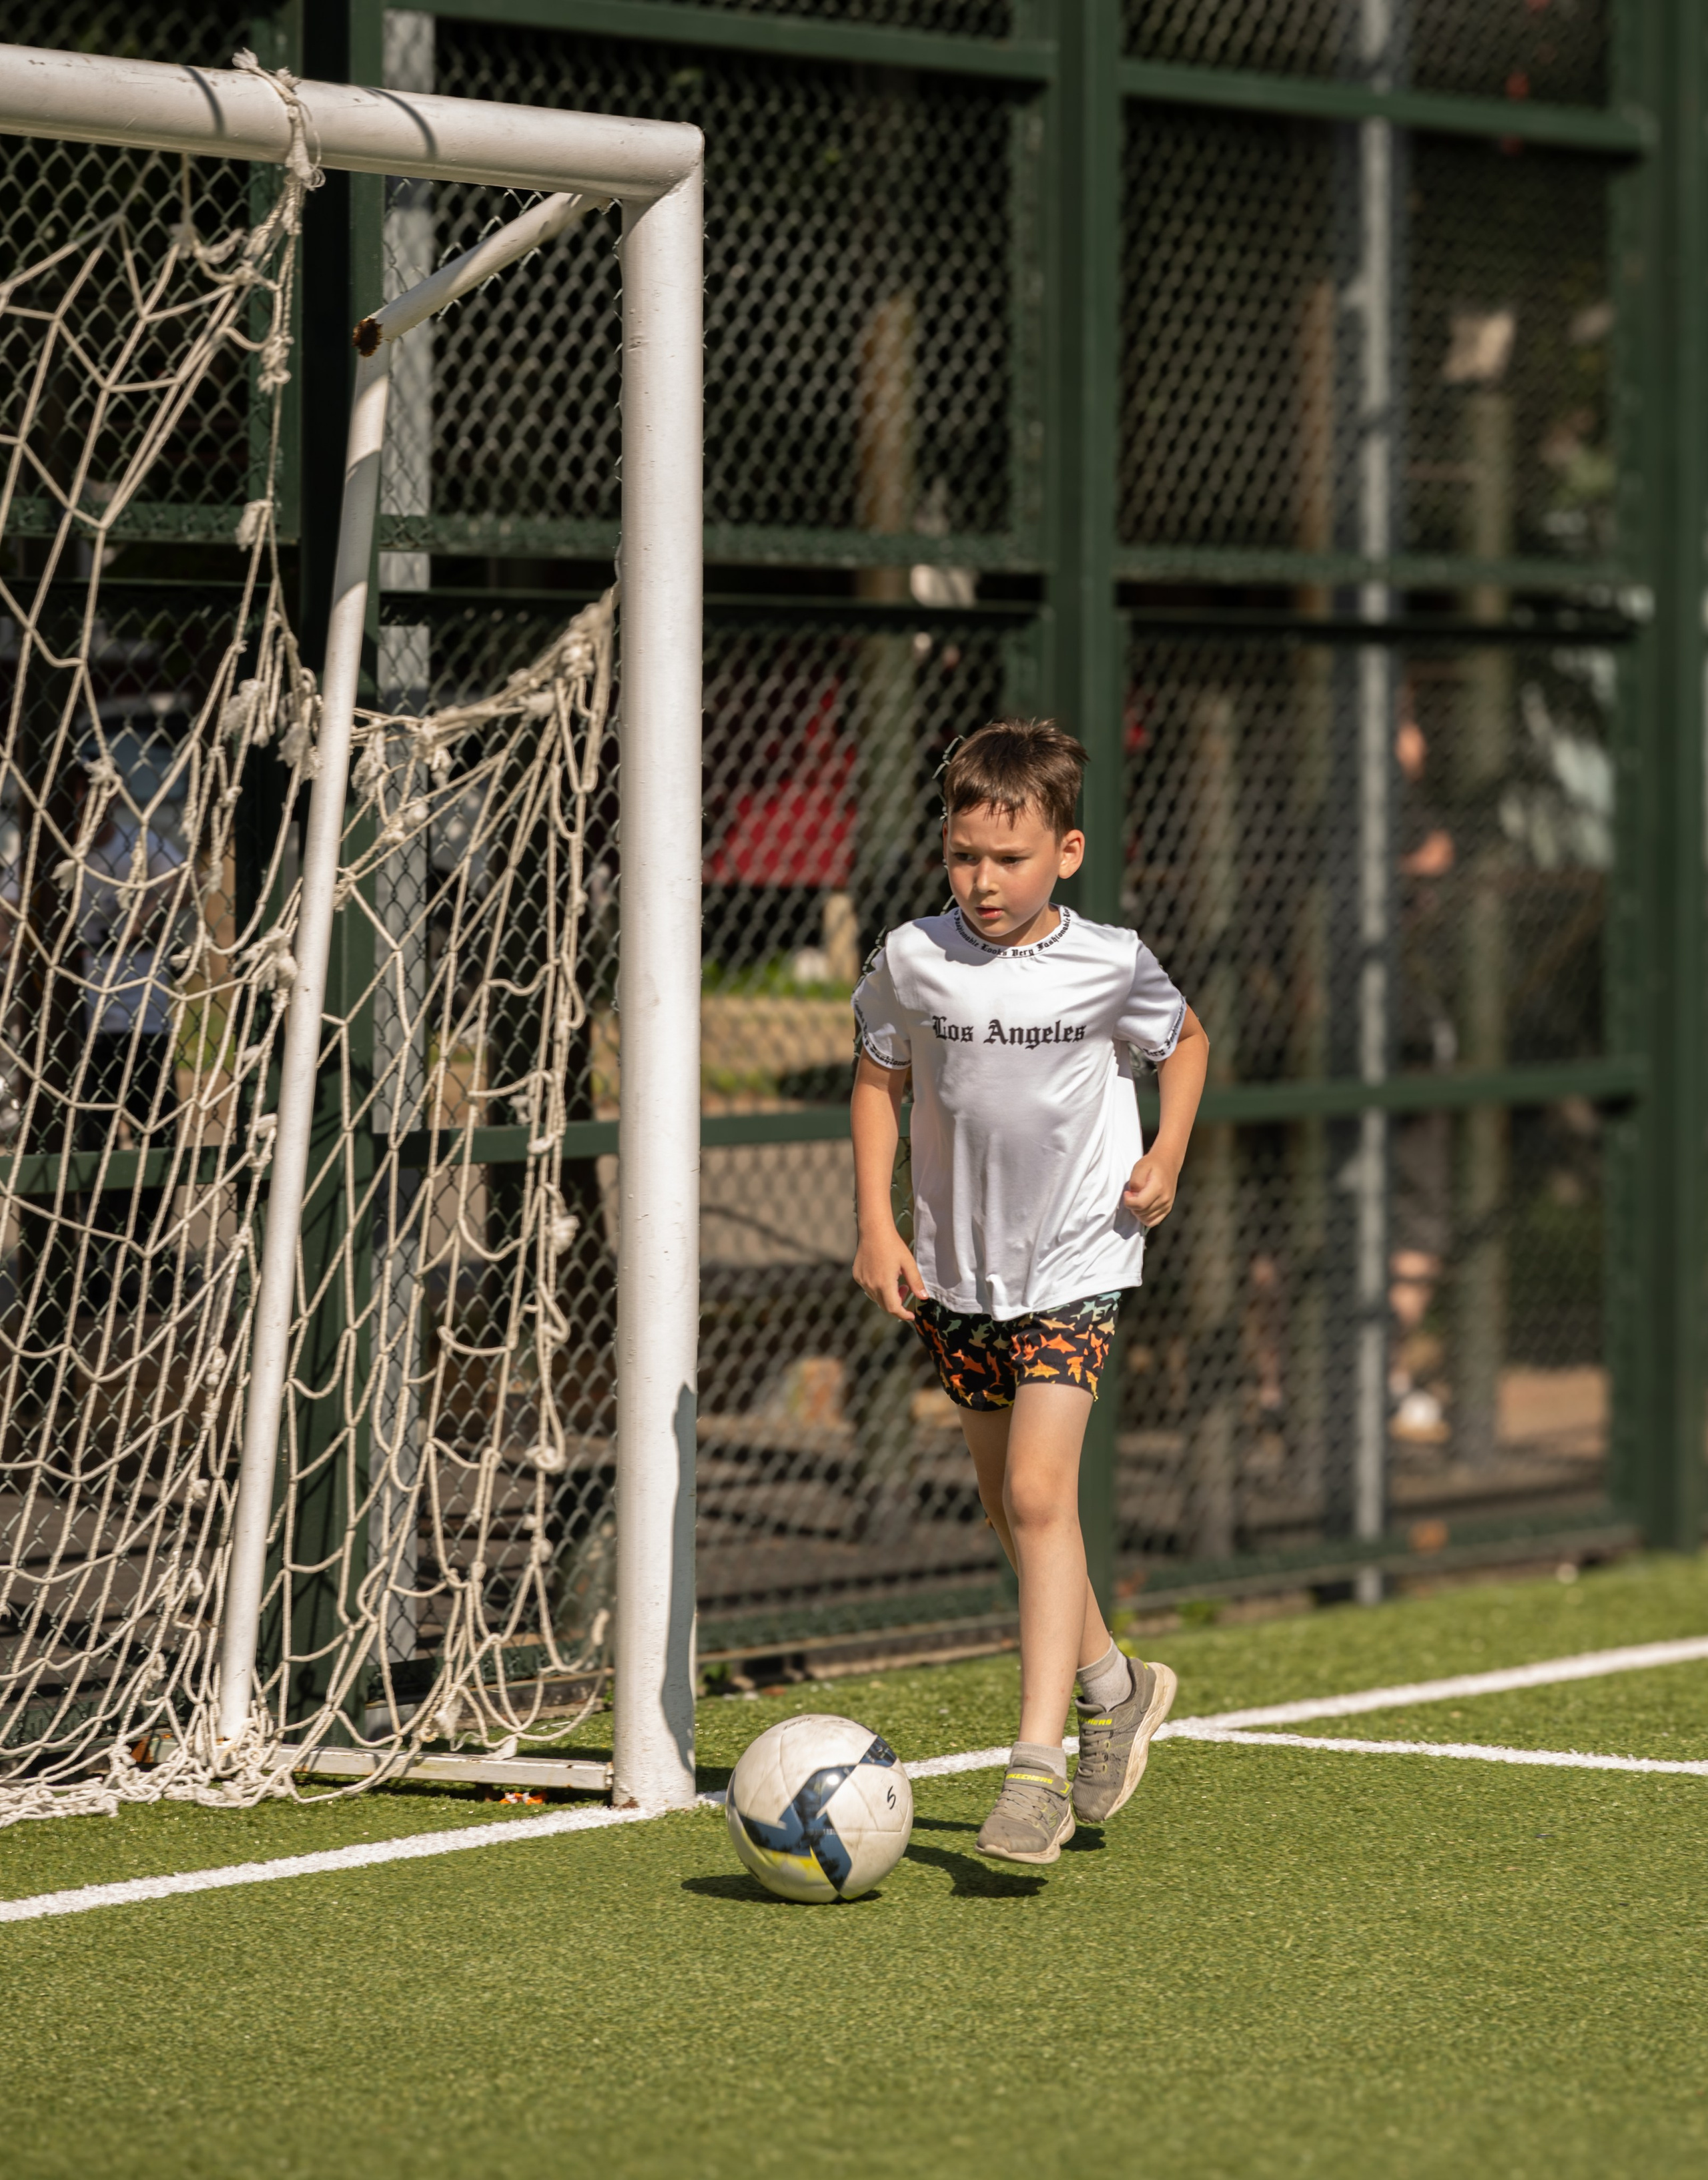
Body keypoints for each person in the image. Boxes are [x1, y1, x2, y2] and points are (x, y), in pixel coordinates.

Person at [850, 718, 1209, 1866]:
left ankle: (1034, 1775)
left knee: (1045, 1499)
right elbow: (877, 1077)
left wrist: (1167, 1151)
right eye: (964, 856)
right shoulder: (911, 956)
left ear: (1067, 851)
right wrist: (875, 1223)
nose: (983, 880)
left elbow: (1186, 1042)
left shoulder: (1112, 959)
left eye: (1008, 859)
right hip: (958, 1271)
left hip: (1079, 1263)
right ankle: (1119, 1684)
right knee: (1013, 1511)